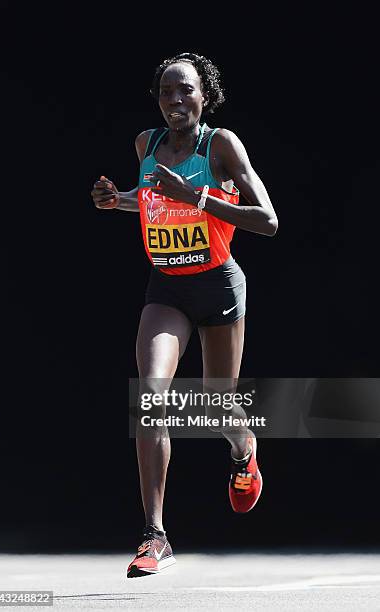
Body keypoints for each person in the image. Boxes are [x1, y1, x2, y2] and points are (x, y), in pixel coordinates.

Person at [91, 52, 278, 578]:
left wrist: (197, 197)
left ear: (205, 95)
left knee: (217, 408)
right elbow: (153, 202)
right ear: (157, 99)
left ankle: (245, 453)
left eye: (187, 91)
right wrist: (119, 202)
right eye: (167, 93)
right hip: (167, 287)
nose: (177, 101)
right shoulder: (145, 145)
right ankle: (156, 535)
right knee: (151, 396)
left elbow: (267, 220)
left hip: (217, 285)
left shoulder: (221, 145)